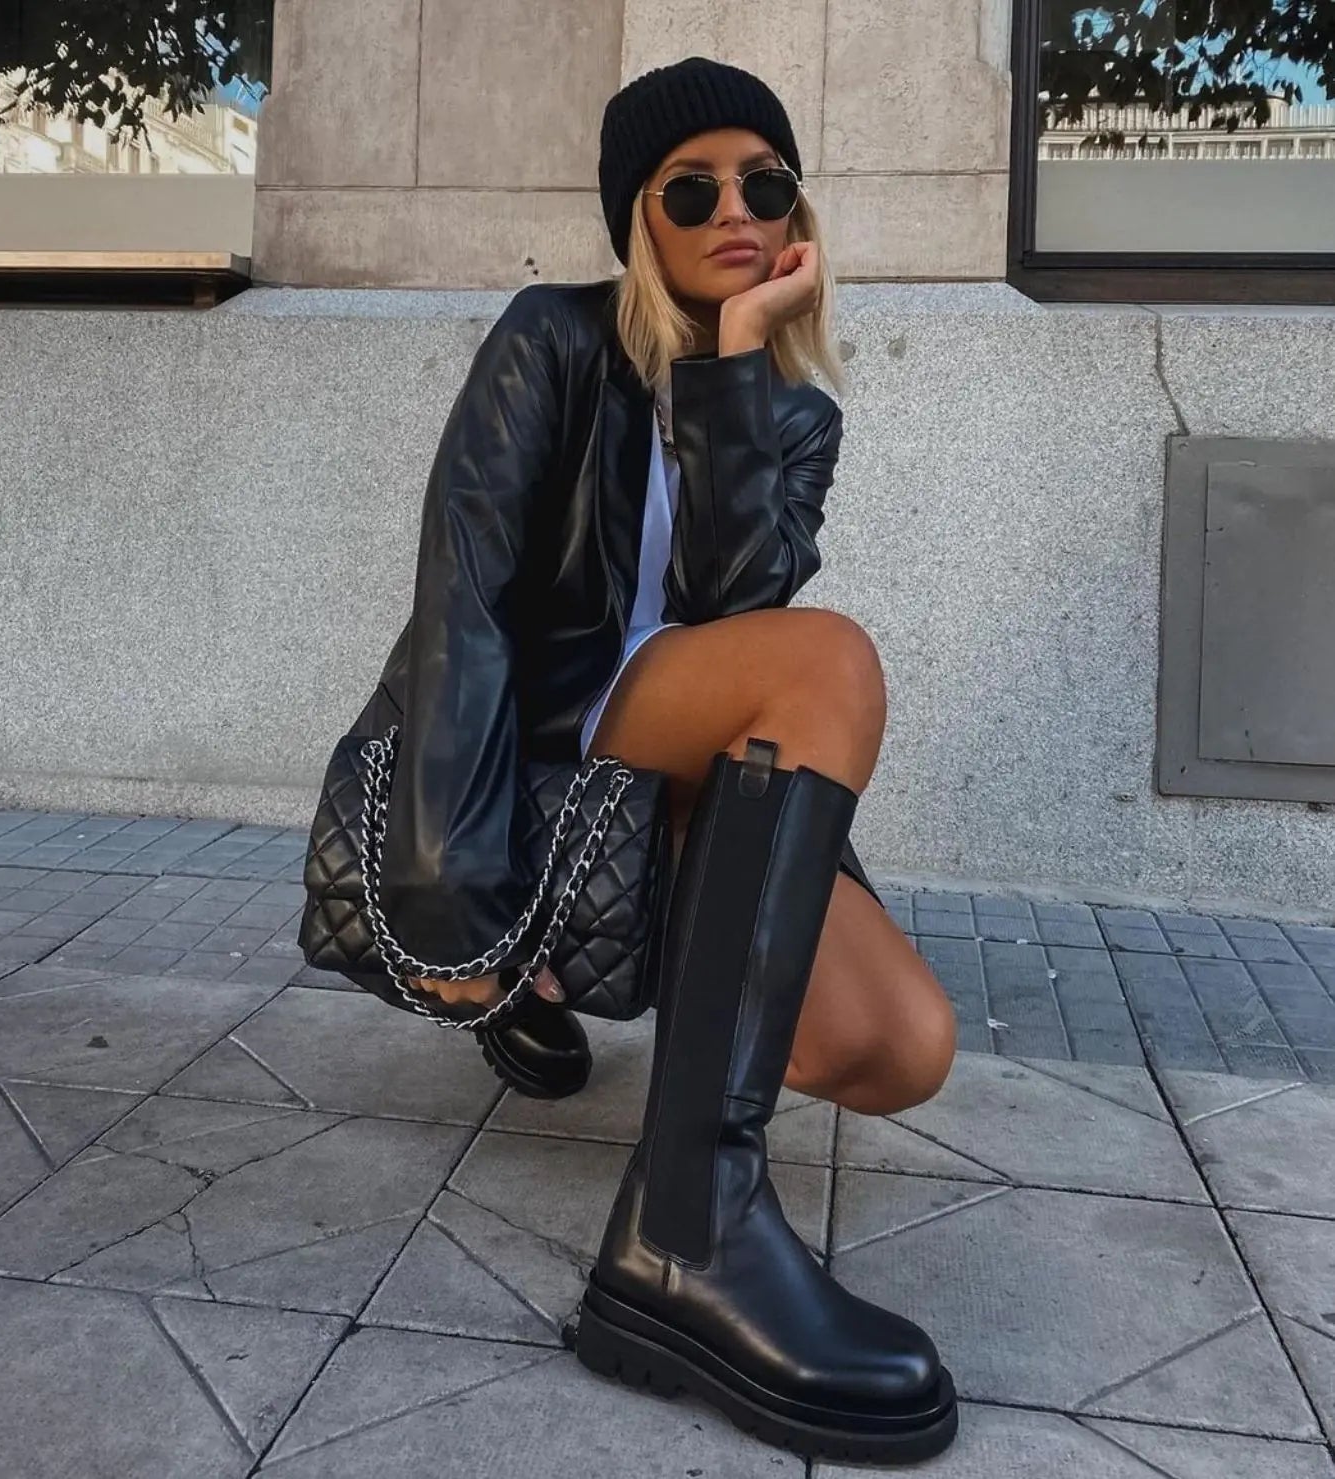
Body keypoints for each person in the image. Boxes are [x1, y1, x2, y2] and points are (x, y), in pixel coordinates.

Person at [357, 55, 960, 1463]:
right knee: (830, 659)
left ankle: (632, 1037)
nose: (734, 209)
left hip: (692, 757)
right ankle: (683, 1235)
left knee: (899, 1047)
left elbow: (740, 601)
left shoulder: (791, 411)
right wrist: (455, 886)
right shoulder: (551, 339)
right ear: (639, 216)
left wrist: (738, 356)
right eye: (692, 191)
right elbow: (463, 592)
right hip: (553, 741)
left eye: (766, 183)